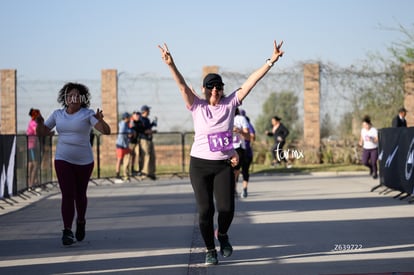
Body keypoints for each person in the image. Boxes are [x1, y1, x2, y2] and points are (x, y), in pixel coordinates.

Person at [158, 39, 284, 265]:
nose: (216, 90)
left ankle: (222, 234)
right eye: (211, 87)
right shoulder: (197, 106)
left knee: (226, 209)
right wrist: (171, 64)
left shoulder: (230, 104)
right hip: (199, 164)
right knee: (205, 211)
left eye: (219, 87)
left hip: (223, 164)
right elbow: (182, 86)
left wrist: (270, 61)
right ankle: (209, 250)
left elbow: (250, 82)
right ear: (205, 90)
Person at [36, 82, 111, 246]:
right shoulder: (57, 114)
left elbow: (106, 131)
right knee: (68, 194)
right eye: (70, 95)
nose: (74, 97)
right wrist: (40, 124)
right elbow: (42, 133)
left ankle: (81, 221)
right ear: (65, 98)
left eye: (77, 95)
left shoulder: (88, 114)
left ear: (82, 98)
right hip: (63, 159)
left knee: (80, 195)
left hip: (84, 161)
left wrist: (101, 120)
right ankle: (67, 230)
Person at [232, 108, 250, 197]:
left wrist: (239, 130)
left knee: (236, 170)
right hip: (223, 148)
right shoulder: (221, 117)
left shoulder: (240, 119)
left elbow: (248, 136)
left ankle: (233, 189)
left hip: (238, 148)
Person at [239, 109, 256, 198]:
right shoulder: (248, 123)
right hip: (245, 151)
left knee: (239, 171)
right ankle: (243, 189)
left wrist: (243, 135)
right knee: (243, 171)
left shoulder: (246, 123)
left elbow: (252, 136)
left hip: (243, 151)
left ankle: (242, 189)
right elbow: (253, 137)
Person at [139, 105, 157, 180]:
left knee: (152, 156)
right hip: (144, 140)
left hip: (149, 140)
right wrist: (152, 131)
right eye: (148, 110)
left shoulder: (147, 119)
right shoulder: (141, 119)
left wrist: (153, 123)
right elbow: (143, 131)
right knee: (146, 156)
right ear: (145, 111)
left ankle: (151, 173)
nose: (149, 111)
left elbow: (148, 127)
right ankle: (145, 173)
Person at [358, 115, 378, 179]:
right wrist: (360, 142)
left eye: (366, 125)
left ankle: (375, 173)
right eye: (363, 125)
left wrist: (371, 139)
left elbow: (377, 139)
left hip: (374, 148)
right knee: (364, 162)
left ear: (369, 124)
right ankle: (371, 168)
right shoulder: (363, 130)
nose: (365, 127)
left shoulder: (374, 130)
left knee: (373, 161)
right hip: (366, 148)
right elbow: (361, 138)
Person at [115, 112, 133, 181]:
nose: (129, 119)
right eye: (128, 117)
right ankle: (117, 175)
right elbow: (123, 133)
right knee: (119, 160)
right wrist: (129, 132)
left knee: (128, 157)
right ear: (126, 118)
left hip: (125, 145)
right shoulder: (123, 124)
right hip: (121, 145)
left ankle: (126, 174)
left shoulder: (125, 124)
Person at [26, 108, 41, 190]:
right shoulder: (33, 123)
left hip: (32, 145)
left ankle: (33, 182)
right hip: (32, 146)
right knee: (34, 164)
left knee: (32, 164)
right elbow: (37, 132)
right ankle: (31, 184)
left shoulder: (32, 123)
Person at [129, 111, 144, 176]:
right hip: (131, 142)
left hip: (138, 141)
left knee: (139, 155)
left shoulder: (140, 122)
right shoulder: (131, 121)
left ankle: (139, 170)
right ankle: (131, 169)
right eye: (136, 115)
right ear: (133, 116)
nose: (137, 116)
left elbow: (142, 129)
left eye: (138, 115)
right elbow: (131, 128)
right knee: (131, 156)